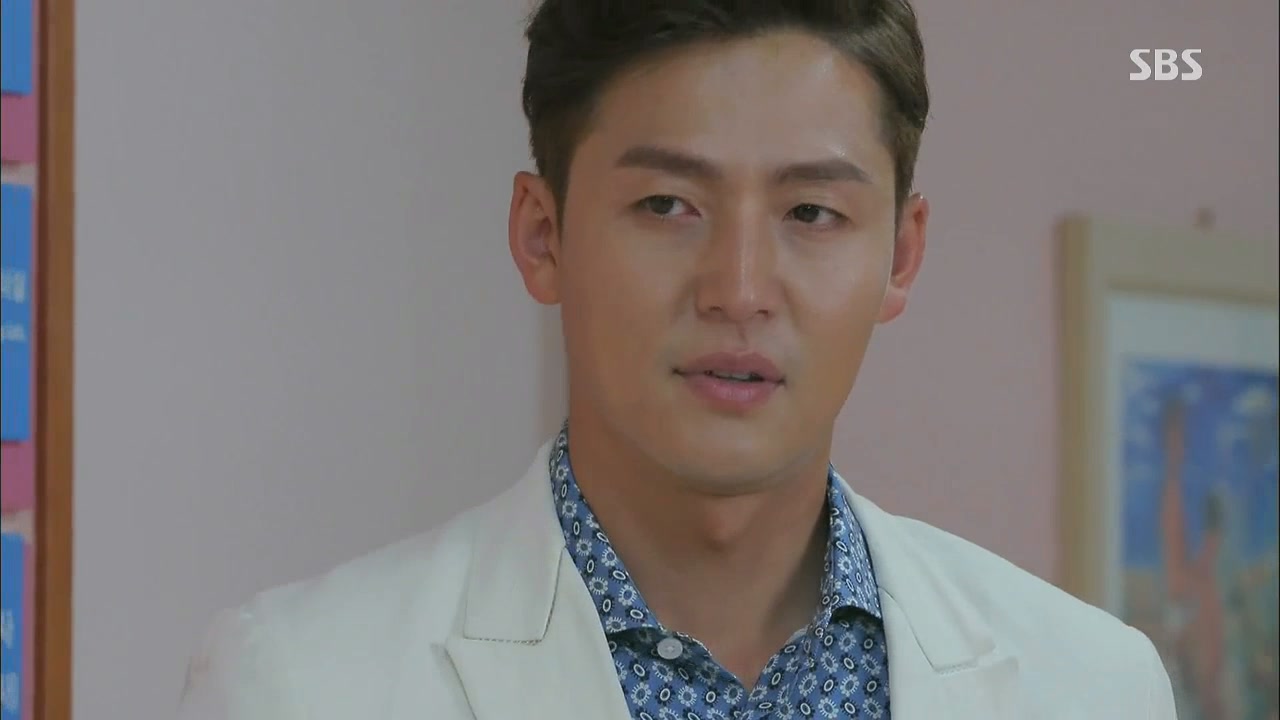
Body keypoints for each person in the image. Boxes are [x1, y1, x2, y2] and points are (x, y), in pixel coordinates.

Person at [177, 1, 1177, 718]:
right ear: (542, 235)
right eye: (666, 205)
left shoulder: (1091, 686)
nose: (737, 288)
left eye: (810, 213)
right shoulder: (299, 684)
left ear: (900, 257)